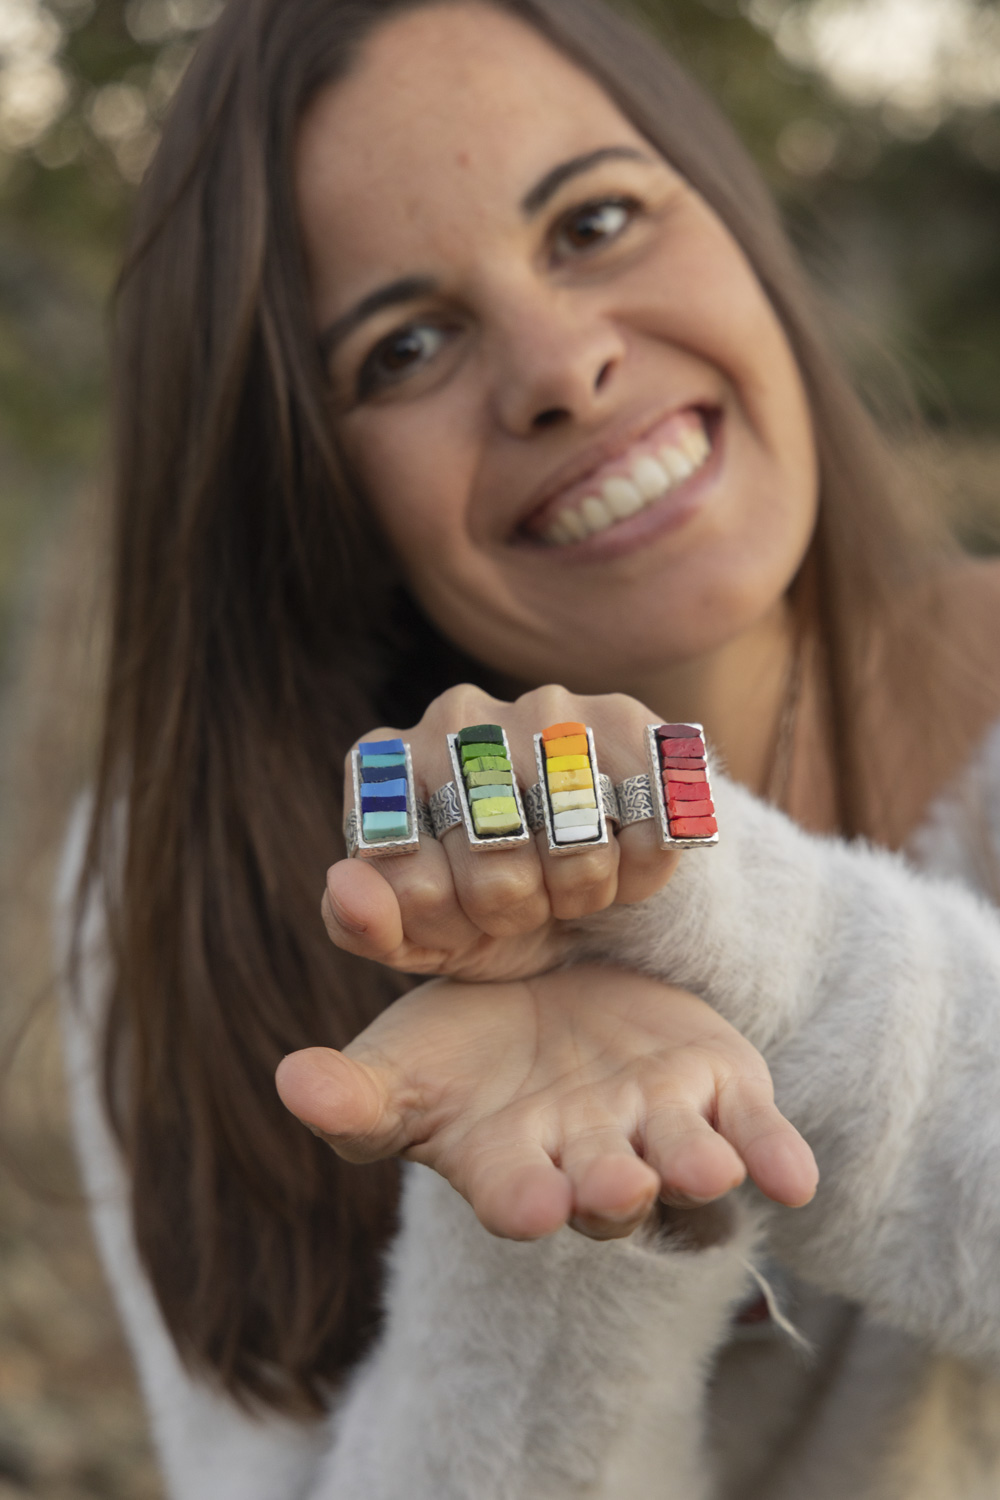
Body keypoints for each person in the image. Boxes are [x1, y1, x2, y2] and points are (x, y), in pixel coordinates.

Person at [58, 0, 1000, 1494]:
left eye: (595, 221)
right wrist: (556, 1233)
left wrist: (731, 923)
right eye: (405, 346)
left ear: (735, 214)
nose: (563, 365)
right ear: (310, 488)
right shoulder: (180, 874)